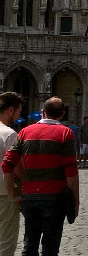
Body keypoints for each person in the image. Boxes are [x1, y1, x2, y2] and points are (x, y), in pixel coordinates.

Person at [1, 97, 79, 256]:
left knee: (29, 244)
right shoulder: (65, 133)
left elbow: (6, 165)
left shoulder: (25, 132)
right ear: (62, 114)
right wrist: (75, 202)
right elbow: (71, 173)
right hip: (54, 198)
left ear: (43, 112)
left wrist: (12, 194)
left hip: (30, 198)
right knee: (50, 247)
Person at [0, 92, 24, 254]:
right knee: (6, 242)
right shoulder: (10, 135)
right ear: (10, 110)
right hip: (4, 194)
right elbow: (17, 169)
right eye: (18, 112)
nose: (18, 116)